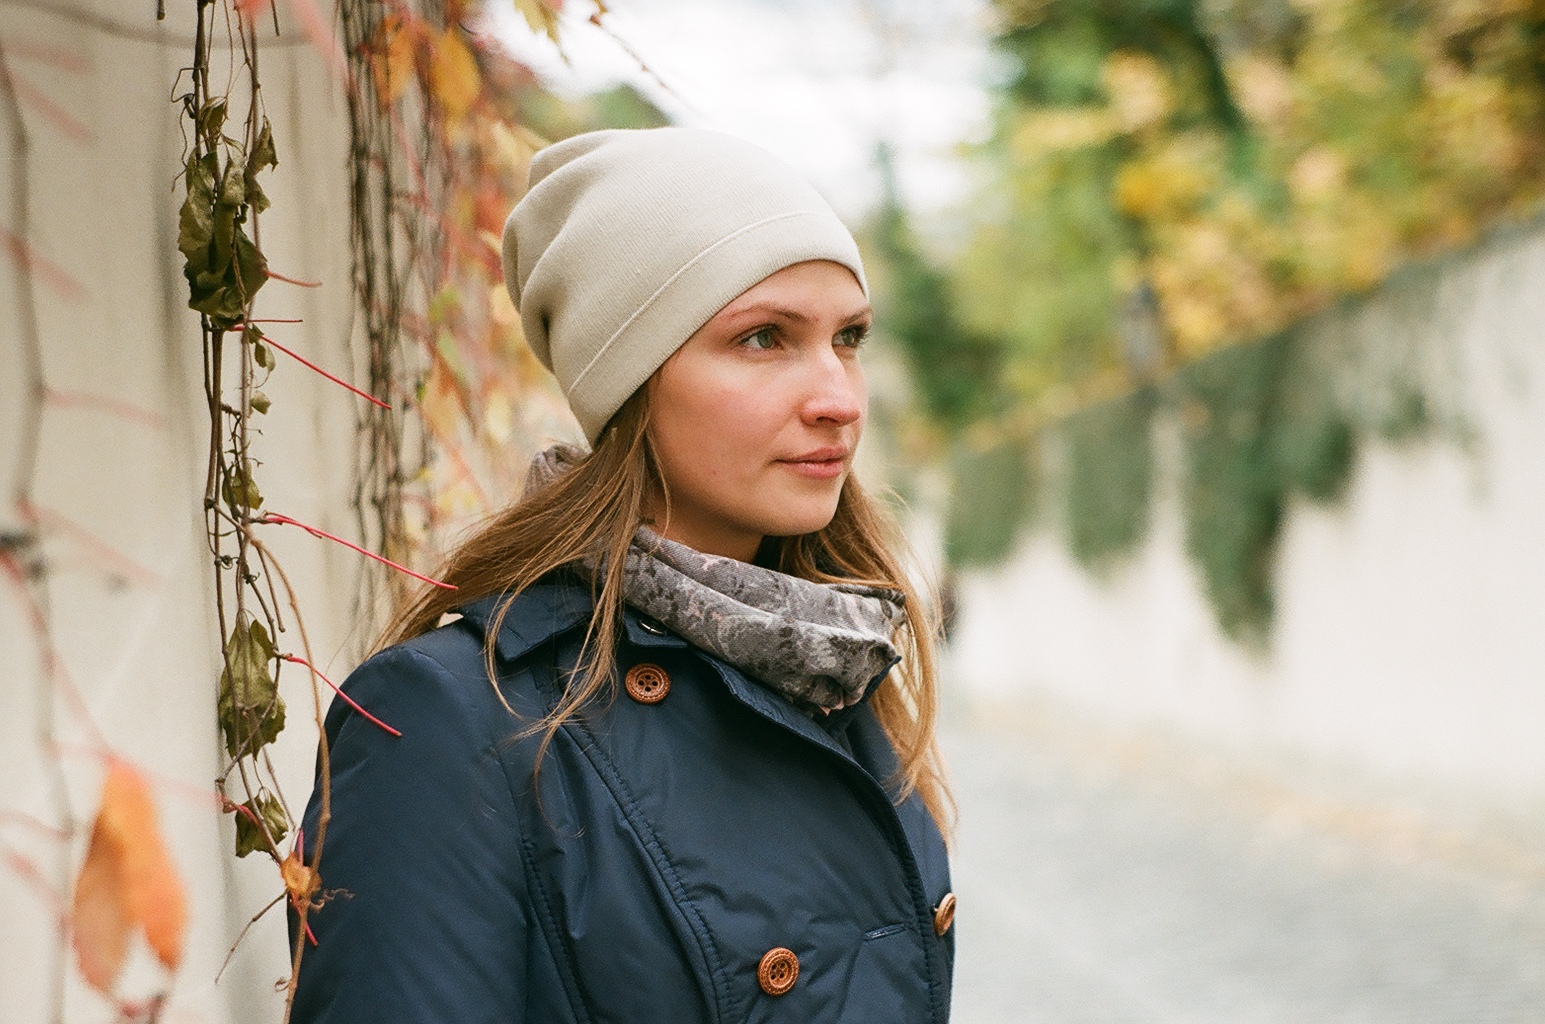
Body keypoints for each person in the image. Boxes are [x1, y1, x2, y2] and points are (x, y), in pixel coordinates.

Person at [289, 127, 955, 1024]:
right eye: (762, 338)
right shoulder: (453, 716)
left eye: (848, 338)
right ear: (631, 379)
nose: (836, 395)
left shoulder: (833, 657)